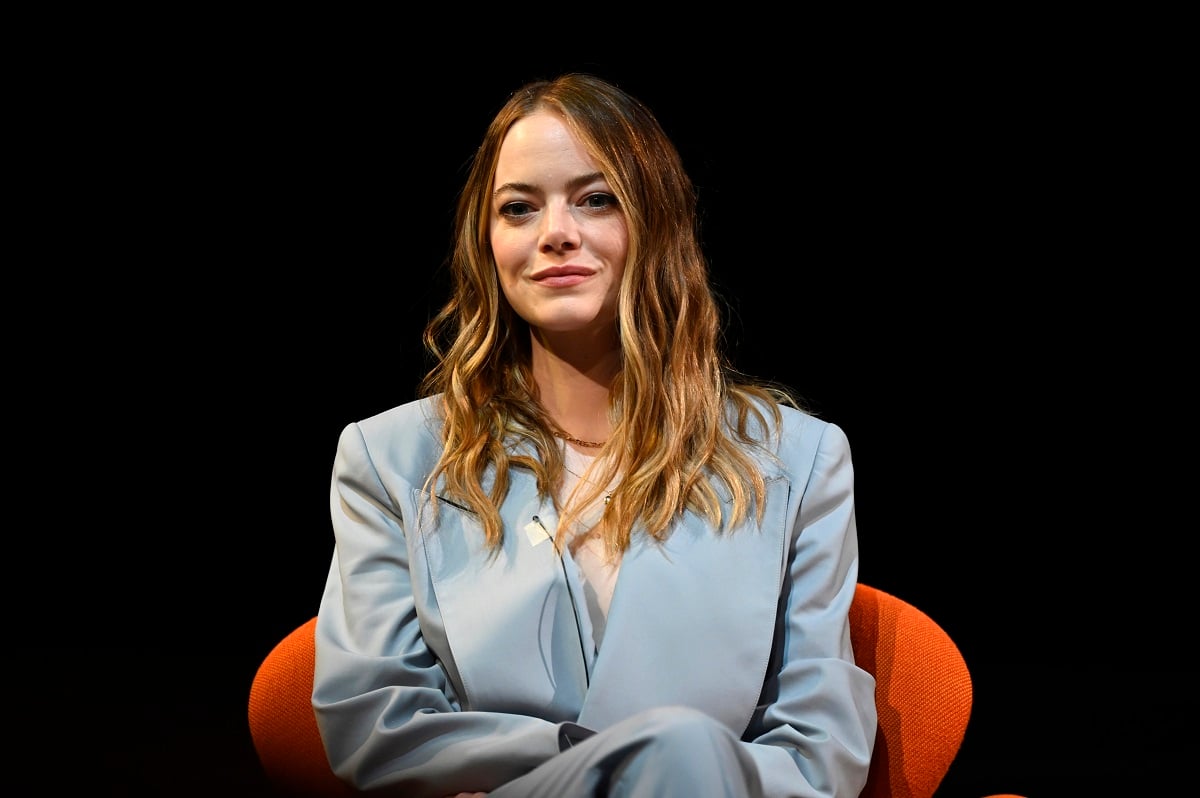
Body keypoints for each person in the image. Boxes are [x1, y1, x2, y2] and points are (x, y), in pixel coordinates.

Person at [311, 72, 878, 798]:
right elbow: (376, 721)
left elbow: (819, 749)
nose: (555, 233)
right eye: (519, 209)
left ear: (657, 220)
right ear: (487, 245)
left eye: (596, 199)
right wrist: (618, 767)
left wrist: (670, 768)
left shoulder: (799, 459)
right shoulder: (391, 460)